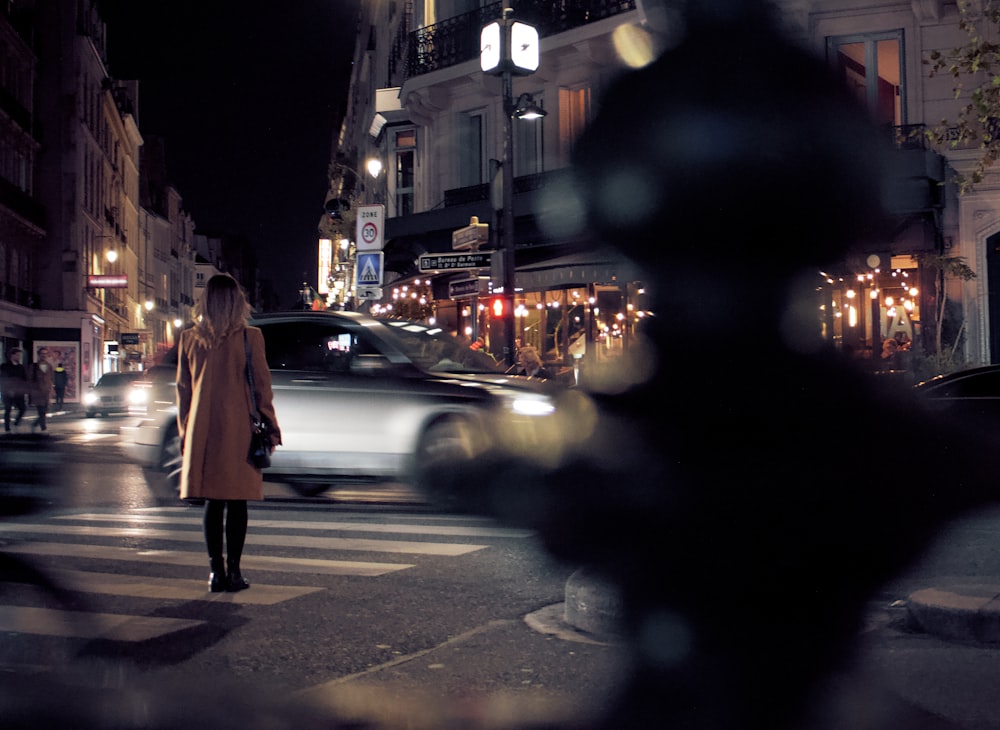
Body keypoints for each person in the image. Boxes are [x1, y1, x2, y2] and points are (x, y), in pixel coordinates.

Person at [176, 274, 281, 593]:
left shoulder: (189, 338)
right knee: (237, 503)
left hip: (203, 429)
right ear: (238, 302)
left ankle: (214, 573)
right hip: (238, 429)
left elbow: (183, 392)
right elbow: (262, 386)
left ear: (204, 302)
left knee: (213, 502)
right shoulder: (252, 337)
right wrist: (270, 425)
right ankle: (234, 572)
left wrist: (185, 435)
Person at [1, 347, 27, 432]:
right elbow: (3, 378)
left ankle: (16, 422)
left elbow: (24, 379)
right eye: (18, 355)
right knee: (8, 409)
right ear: (12, 355)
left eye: (20, 355)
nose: (19, 357)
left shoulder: (21, 367)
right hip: (7, 392)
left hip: (18, 392)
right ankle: (7, 427)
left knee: (22, 408)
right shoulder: (4, 366)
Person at [29, 347, 54, 432]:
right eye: (42, 353)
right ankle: (43, 428)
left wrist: (51, 391)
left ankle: (35, 424)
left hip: (46, 392)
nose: (44, 355)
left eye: (45, 353)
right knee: (41, 411)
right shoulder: (34, 366)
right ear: (39, 355)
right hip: (38, 392)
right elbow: (30, 379)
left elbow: (51, 378)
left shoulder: (49, 366)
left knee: (45, 411)